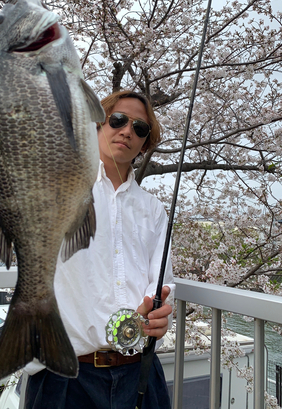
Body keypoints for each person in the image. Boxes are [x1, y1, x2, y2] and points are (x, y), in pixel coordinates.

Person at [25, 90, 175, 409]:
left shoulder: (153, 211)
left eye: (140, 128)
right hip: (65, 376)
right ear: (95, 124)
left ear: (145, 143)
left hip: (140, 372)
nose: (127, 131)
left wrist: (159, 315)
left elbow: (162, 283)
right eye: (117, 120)